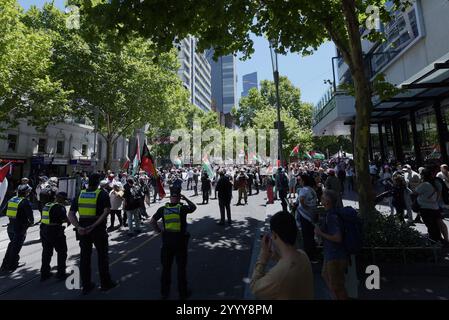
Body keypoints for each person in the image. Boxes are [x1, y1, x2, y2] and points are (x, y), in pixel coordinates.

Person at [68, 173, 117, 294]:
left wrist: (78, 227)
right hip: (98, 230)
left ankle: (86, 285)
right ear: (98, 182)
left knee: (84, 258)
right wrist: (93, 226)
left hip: (83, 231)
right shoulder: (102, 194)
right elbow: (106, 212)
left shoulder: (80, 193)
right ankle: (106, 283)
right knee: (102, 257)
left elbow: (71, 214)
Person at [250, 211, 314, 300]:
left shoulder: (278, 276)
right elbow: (289, 262)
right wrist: (276, 256)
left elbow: (255, 287)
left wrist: (263, 258)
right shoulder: (303, 256)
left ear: (275, 235)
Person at [150, 186, 197, 300]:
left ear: (170, 197)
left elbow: (152, 221)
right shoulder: (182, 208)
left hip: (167, 242)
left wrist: (159, 231)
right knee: (181, 268)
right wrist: (185, 198)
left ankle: (164, 293)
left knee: (166, 268)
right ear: (179, 197)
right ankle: (183, 293)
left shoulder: (163, 209)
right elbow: (193, 207)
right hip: (180, 242)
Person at [314, 190, 349, 300]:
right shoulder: (330, 214)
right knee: (325, 275)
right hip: (331, 254)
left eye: (323, 198)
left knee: (338, 287)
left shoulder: (332, 217)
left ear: (328, 201)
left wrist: (320, 233)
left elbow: (338, 238)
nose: (321, 200)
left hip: (336, 256)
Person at [1, 184, 34, 272]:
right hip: (20, 228)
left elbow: (4, 211)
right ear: (26, 193)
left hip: (10, 227)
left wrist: (13, 216)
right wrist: (29, 224)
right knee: (16, 247)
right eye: (28, 191)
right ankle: (11, 266)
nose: (29, 193)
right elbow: (31, 218)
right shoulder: (25, 202)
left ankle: (5, 264)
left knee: (12, 244)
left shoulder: (11, 199)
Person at [40, 192, 69, 281]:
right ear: (62, 199)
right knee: (62, 252)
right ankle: (61, 273)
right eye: (64, 199)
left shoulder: (47, 205)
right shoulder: (59, 207)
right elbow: (64, 219)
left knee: (46, 252)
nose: (64, 201)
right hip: (55, 231)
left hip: (44, 230)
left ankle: (44, 273)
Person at [415, 168, 447, 246]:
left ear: (423, 175)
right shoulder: (437, 183)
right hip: (435, 207)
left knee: (430, 226)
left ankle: (434, 242)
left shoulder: (424, 184)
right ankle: (441, 240)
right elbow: (438, 196)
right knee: (436, 225)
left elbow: (415, 192)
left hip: (425, 208)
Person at [293, 175, 318, 263]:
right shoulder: (312, 189)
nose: (299, 181)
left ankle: (309, 257)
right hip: (311, 215)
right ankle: (313, 255)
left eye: (300, 180)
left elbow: (302, 200)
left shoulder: (303, 190)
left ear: (303, 181)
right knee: (310, 236)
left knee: (306, 236)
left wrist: (305, 207)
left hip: (305, 215)